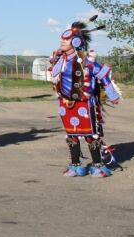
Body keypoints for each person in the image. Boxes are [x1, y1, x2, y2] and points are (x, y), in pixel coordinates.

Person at [49, 16, 121, 177]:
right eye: (61, 40)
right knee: (71, 134)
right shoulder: (60, 60)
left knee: (90, 134)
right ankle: (75, 165)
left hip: (85, 103)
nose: (61, 42)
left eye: (65, 40)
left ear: (75, 42)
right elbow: (53, 73)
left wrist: (112, 94)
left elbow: (102, 73)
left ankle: (98, 165)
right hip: (66, 103)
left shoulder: (85, 61)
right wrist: (56, 57)